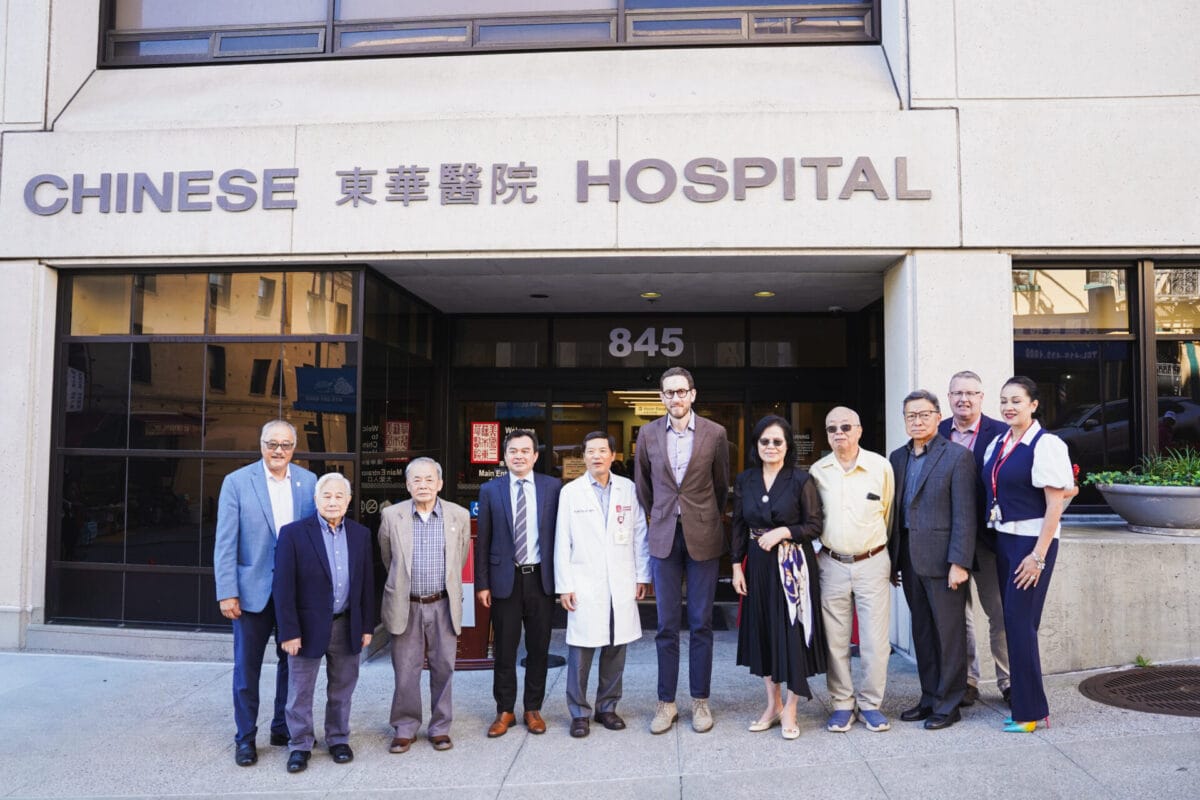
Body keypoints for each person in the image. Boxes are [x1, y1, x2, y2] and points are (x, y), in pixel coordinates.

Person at [213, 419, 318, 767]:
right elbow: (225, 543)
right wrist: (227, 592)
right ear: (260, 445)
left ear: (294, 447)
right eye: (271, 443)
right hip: (250, 593)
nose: (278, 450)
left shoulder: (309, 482)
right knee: (247, 669)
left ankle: (282, 727)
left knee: (293, 664)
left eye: (285, 444)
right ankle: (245, 738)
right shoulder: (237, 483)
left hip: (294, 594)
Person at [634, 366, 730, 734]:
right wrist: (662, 514)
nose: (675, 398)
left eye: (681, 391)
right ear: (661, 397)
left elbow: (721, 484)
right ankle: (666, 703)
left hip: (703, 534)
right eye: (668, 392)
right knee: (665, 625)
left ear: (693, 394)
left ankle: (701, 701)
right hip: (663, 537)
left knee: (702, 622)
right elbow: (645, 487)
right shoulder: (647, 433)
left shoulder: (715, 434)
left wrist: (702, 515)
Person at [982, 376, 1075, 733]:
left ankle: (1032, 712)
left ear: (1034, 405)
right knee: (1015, 624)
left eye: (1017, 401)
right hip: (1005, 541)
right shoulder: (1000, 443)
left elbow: (1056, 504)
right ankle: (1026, 705)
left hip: (1032, 544)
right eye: (1004, 400)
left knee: (1020, 626)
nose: (1009, 406)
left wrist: (1037, 556)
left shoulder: (1046, 445)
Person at [730, 415, 827, 740]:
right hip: (757, 565)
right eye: (765, 441)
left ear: (787, 446)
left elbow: (815, 526)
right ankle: (772, 706)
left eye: (777, 442)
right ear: (757, 446)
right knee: (765, 634)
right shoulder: (745, 479)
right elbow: (738, 527)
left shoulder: (801, 480)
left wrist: (784, 531)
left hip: (793, 566)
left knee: (791, 633)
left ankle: (792, 709)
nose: (771, 447)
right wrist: (734, 567)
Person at [273, 473, 376, 773]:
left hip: (347, 624)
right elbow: (283, 587)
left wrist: (367, 626)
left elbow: (367, 584)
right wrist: (289, 631)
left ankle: (338, 738)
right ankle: (300, 744)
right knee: (300, 691)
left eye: (339, 496)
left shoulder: (360, 534)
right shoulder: (293, 533)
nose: (332, 502)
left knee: (342, 688)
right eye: (327, 496)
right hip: (305, 629)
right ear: (316, 500)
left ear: (348, 501)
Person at [889, 391, 976, 731]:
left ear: (938, 416)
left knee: (949, 634)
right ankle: (929, 698)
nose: (917, 421)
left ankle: (950, 702)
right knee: (922, 633)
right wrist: (894, 560)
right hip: (909, 558)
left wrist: (960, 562)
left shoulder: (957, 457)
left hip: (944, 562)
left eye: (924, 415)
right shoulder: (897, 458)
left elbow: (965, 515)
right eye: (911, 416)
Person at [554, 432, 651, 738]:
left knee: (615, 648)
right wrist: (565, 585)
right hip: (584, 581)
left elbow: (639, 534)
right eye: (590, 451)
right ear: (583, 457)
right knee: (581, 651)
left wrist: (641, 576)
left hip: (620, 580)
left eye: (602, 451)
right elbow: (562, 541)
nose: (596, 456)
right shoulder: (570, 492)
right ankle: (579, 713)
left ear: (613, 455)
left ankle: (607, 707)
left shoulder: (628, 488)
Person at [810, 406, 894, 733]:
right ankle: (842, 703)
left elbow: (888, 512)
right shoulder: (818, 471)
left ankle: (871, 703)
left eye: (846, 427)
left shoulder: (880, 467)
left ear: (859, 430)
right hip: (831, 563)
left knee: (875, 640)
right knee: (835, 639)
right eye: (832, 429)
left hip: (872, 561)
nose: (839, 433)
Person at [379, 457, 471, 753]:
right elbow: (387, 558)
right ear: (407, 485)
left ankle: (440, 727)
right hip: (406, 604)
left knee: (444, 667)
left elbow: (461, 556)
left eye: (429, 479)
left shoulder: (458, 515)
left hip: (442, 604)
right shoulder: (392, 516)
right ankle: (405, 727)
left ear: (440, 484)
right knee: (406, 670)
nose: (423, 485)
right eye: (416, 480)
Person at [476, 429, 562, 738]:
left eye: (526, 451)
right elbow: (482, 540)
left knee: (538, 647)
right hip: (504, 580)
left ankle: (532, 708)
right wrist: (482, 584)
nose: (519, 456)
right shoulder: (490, 490)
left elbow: (561, 537)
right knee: (505, 649)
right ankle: (505, 710)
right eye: (513, 451)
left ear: (536, 456)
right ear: (505, 455)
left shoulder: (553, 487)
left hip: (540, 579)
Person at [938, 370, 1011, 706]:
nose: (963, 399)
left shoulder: (1001, 433)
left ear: (982, 397)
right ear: (949, 398)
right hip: (946, 542)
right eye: (957, 393)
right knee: (958, 615)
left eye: (970, 393)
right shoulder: (936, 432)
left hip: (988, 543)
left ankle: (1009, 681)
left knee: (999, 613)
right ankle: (967, 680)